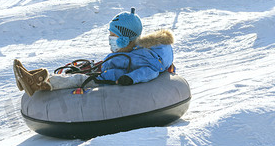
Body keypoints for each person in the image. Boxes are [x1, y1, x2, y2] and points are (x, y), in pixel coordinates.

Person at [13, 7, 175, 96]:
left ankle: (41, 83)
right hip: (108, 70)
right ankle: (29, 77)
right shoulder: (134, 50)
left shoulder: (146, 58)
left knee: (77, 79)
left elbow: (149, 72)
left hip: (109, 79)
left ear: (124, 39)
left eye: (113, 36)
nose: (110, 39)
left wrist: (129, 79)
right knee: (81, 67)